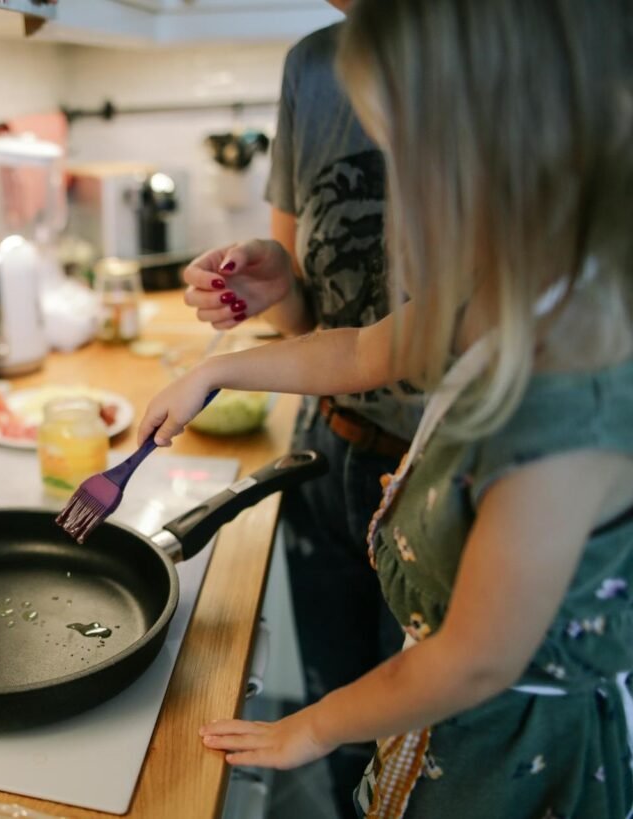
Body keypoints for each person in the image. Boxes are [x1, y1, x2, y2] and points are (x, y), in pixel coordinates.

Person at [140, 0, 633, 815]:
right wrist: (217, 370)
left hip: (510, 756)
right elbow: (362, 349)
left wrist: (317, 725)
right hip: (441, 721)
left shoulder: (568, 404)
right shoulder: (509, 286)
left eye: (416, 158)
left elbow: (476, 659)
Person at [184, 3, 415, 813]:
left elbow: (476, 661)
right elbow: (327, 329)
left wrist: (225, 373)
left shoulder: (530, 52)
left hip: (449, 478)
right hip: (331, 448)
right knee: (341, 718)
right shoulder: (315, 66)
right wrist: (272, 282)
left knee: (421, 751)